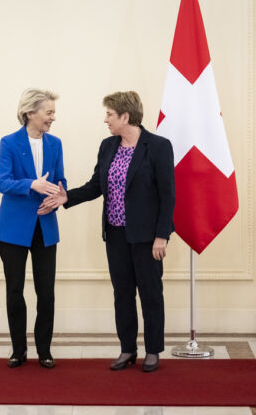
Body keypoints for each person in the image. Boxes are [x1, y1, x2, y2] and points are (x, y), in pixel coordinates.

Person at [40, 91, 174, 372]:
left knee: (150, 293)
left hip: (147, 237)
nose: (106, 120)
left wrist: (162, 235)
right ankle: (127, 349)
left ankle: (153, 350)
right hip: (115, 235)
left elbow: (168, 195)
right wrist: (67, 197)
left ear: (126, 116)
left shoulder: (158, 146)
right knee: (122, 293)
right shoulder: (108, 146)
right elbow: (96, 186)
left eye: (110, 115)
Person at [0, 88, 67, 368]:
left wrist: (57, 199)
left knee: (45, 291)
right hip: (13, 229)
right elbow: (3, 182)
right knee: (15, 290)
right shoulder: (9, 143)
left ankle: (44, 350)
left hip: (45, 226)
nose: (53, 118)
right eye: (49, 112)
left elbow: (61, 182)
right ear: (30, 112)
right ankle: (18, 350)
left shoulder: (56, 144)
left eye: (53, 112)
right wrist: (32, 184)